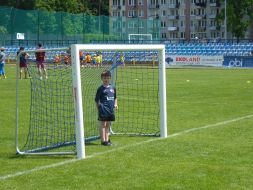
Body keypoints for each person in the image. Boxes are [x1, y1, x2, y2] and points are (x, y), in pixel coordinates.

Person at [95, 70, 118, 146]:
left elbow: (115, 97)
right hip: (103, 109)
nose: (106, 79)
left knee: (108, 124)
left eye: (107, 78)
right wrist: (99, 108)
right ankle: (103, 140)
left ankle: (107, 139)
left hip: (110, 109)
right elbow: (97, 100)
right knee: (103, 124)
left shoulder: (113, 87)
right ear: (102, 78)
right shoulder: (100, 89)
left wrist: (115, 104)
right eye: (104, 78)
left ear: (110, 78)